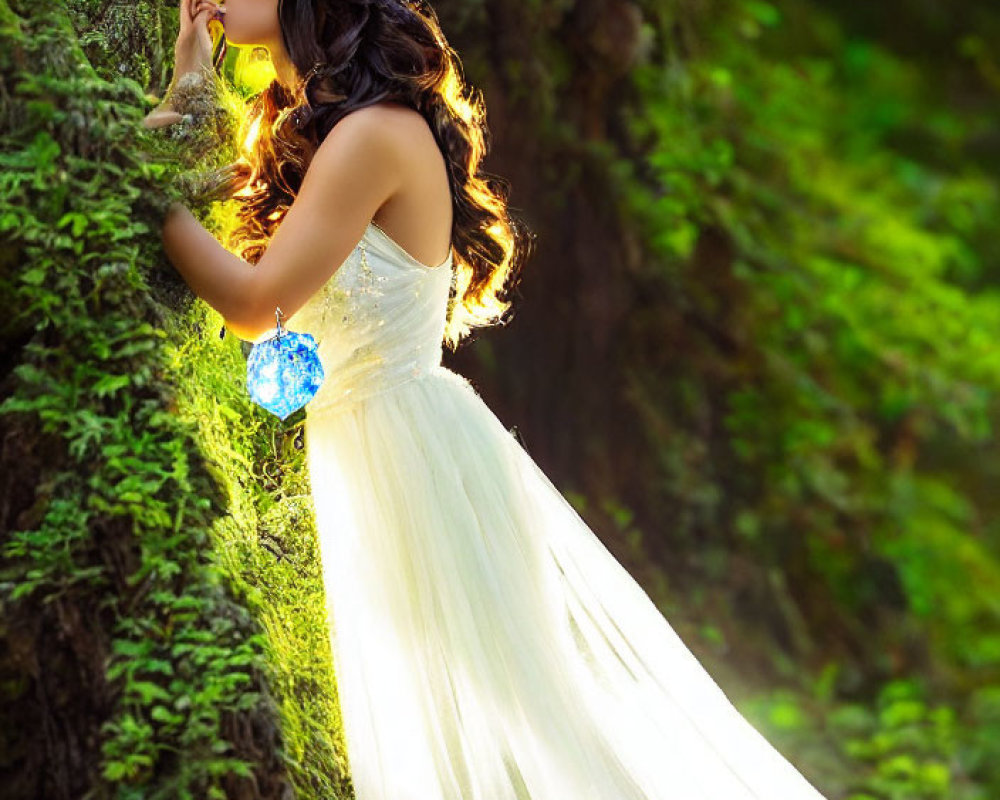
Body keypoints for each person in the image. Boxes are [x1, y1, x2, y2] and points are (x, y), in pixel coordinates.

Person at [146, 0, 832, 796]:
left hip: (417, 459)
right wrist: (188, 90)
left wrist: (114, 171)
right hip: (376, 450)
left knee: (538, 740)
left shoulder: (371, 135)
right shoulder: (328, 131)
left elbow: (253, 301)